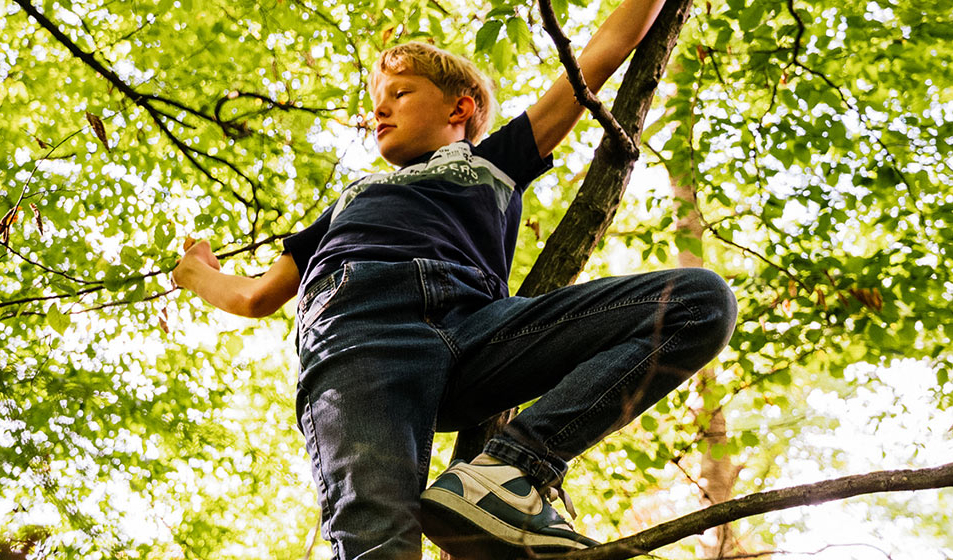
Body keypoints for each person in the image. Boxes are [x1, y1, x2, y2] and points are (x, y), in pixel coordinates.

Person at [172, 0, 737, 558]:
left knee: (700, 301)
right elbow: (256, 295)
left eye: (400, 92)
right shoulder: (353, 201)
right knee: (377, 543)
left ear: (459, 108)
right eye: (376, 102)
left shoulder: (494, 162)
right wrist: (195, 273)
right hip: (363, 334)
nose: (380, 111)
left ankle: (513, 471)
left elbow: (600, 56)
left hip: (477, 330)